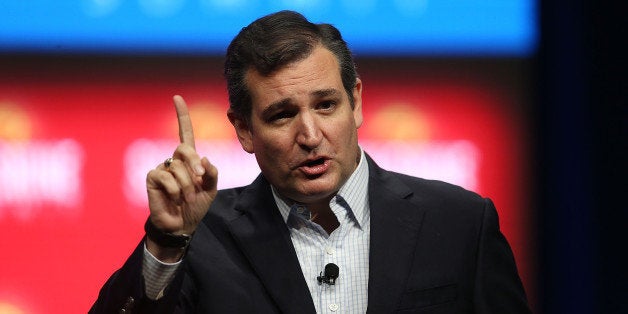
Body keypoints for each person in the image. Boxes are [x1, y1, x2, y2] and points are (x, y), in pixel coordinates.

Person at [90, 10, 531, 313]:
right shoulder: (199, 238)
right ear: (244, 129)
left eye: (325, 105)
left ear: (355, 102)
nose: (310, 135)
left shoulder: (459, 223)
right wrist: (167, 240)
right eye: (282, 115)